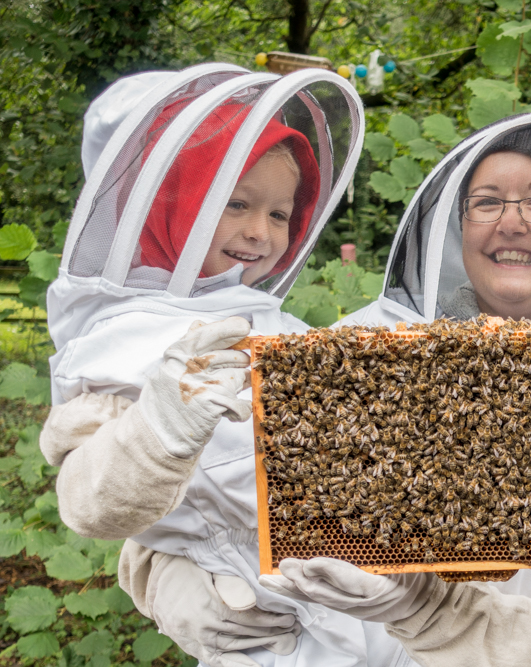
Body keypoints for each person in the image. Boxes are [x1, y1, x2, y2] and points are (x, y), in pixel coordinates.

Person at [255, 114, 531, 667]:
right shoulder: (358, 354)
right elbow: (230, 503)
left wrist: (434, 611)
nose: (509, 223)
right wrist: (168, 574)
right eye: (486, 202)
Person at [39, 65, 369, 667]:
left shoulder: (271, 320)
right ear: (170, 201)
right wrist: (158, 432)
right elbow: (96, 502)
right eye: (235, 203)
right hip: (279, 633)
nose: (259, 232)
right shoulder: (120, 339)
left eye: (277, 214)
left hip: (382, 607)